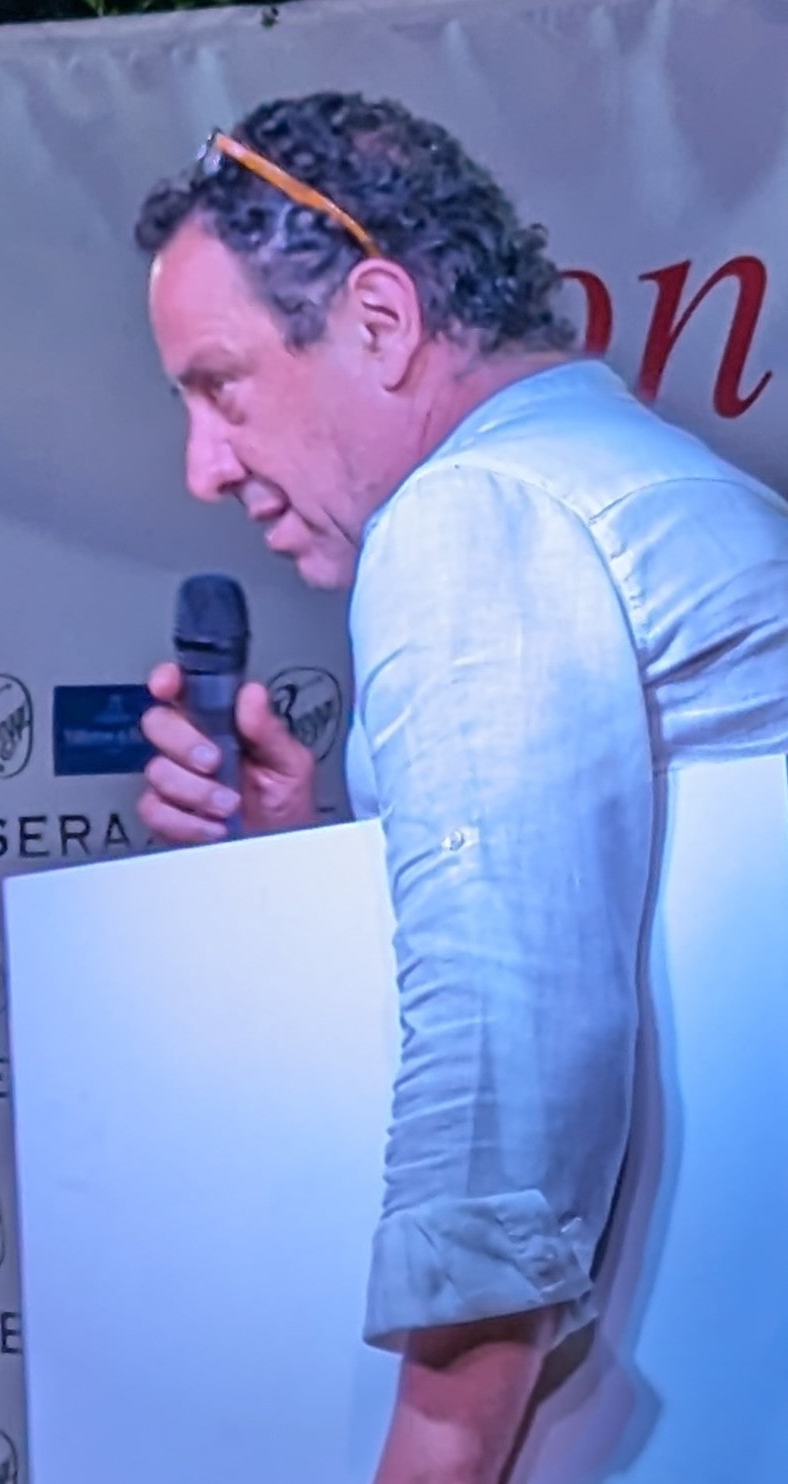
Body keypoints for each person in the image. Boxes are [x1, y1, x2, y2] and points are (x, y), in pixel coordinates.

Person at [130, 92, 788, 1484]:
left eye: (218, 385)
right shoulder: (627, 479)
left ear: (377, 319)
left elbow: (511, 1047)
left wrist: (431, 1453)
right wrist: (311, 860)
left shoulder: (472, 513)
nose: (201, 467)